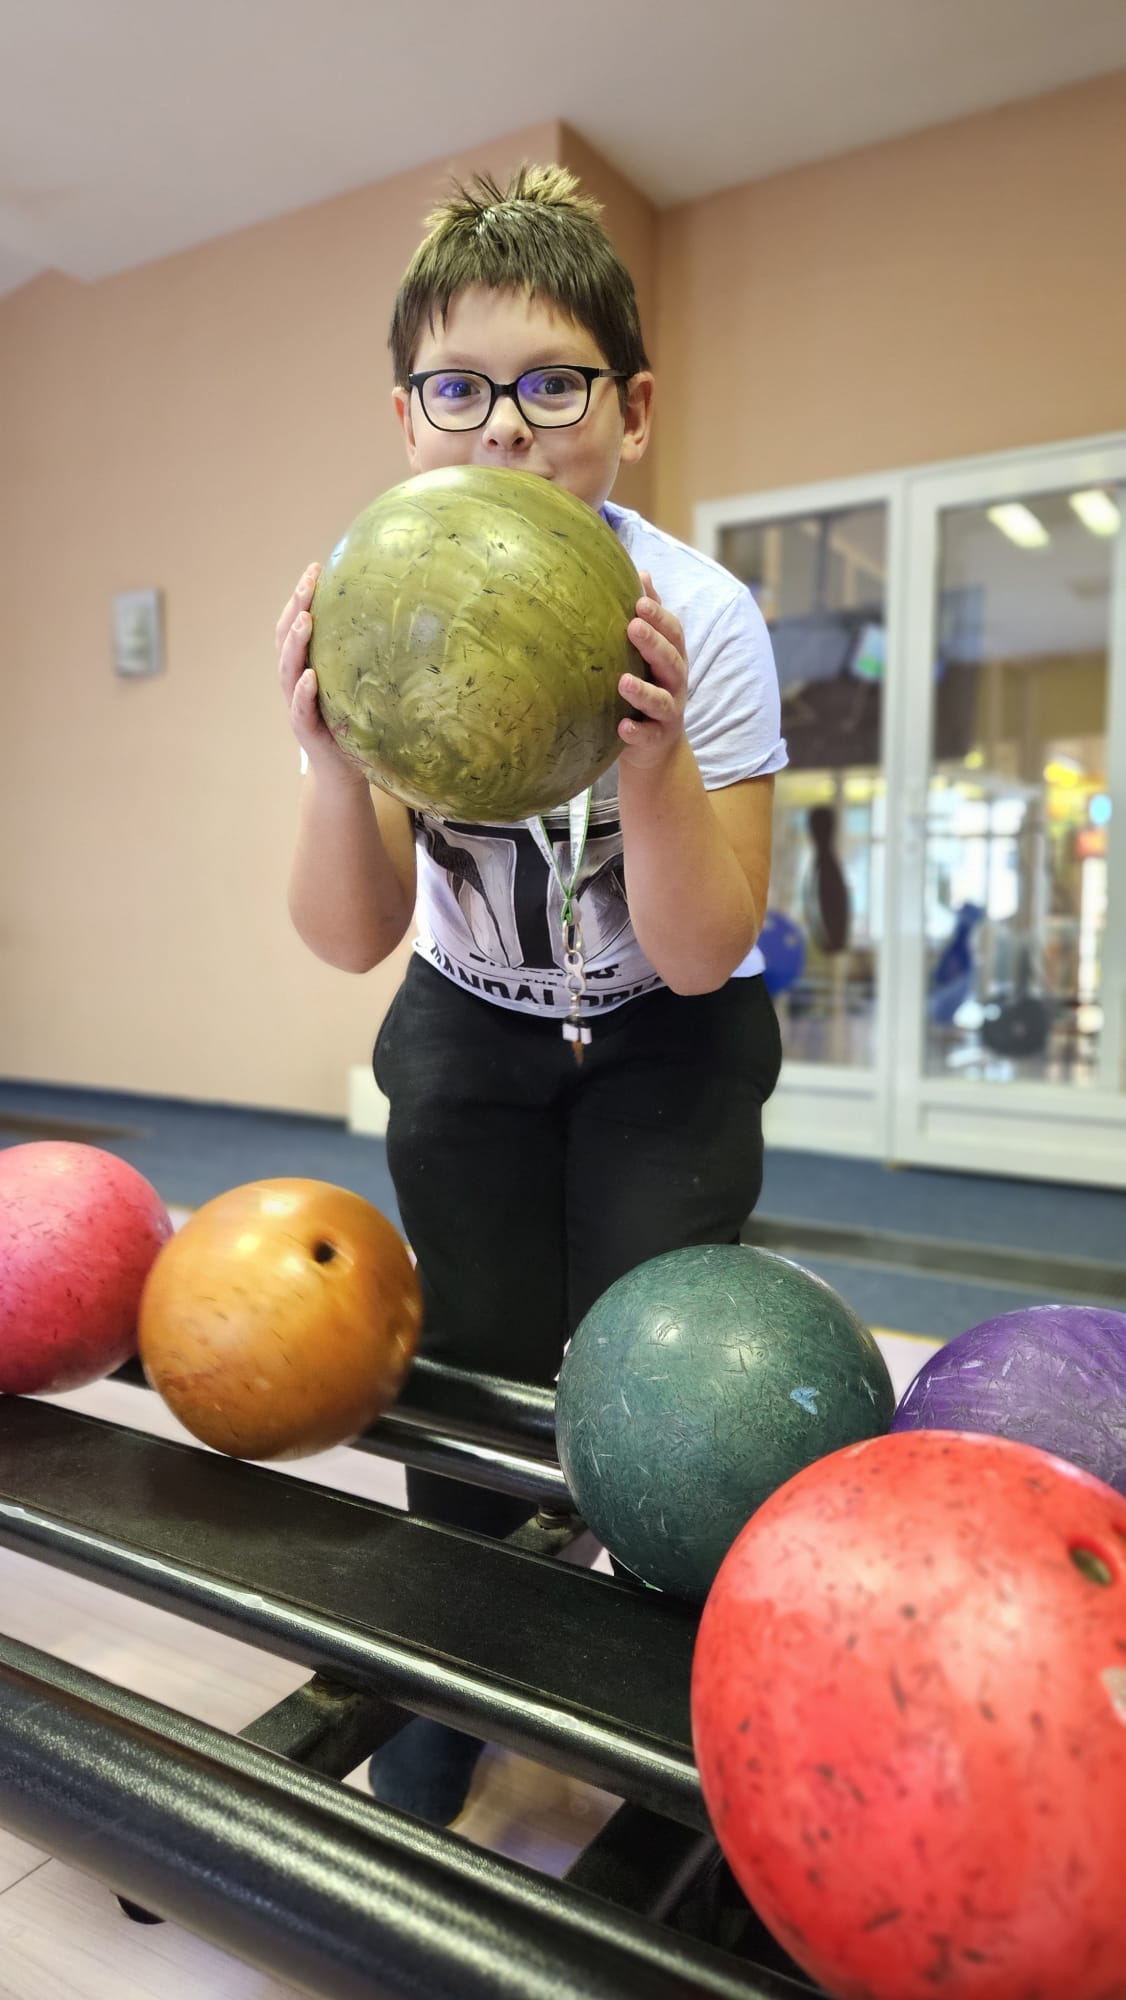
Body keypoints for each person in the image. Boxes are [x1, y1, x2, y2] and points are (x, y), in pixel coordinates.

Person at [276, 164, 787, 1824]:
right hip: (468, 1025)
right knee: (471, 1363)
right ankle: (453, 1674)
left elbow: (703, 949)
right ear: (407, 421)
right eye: (459, 390)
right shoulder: (376, 593)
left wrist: (652, 758)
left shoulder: (701, 616)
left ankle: (654, 1704)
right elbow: (348, 936)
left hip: (671, 1037)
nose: (506, 426)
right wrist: (324, 761)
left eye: (554, 385)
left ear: (630, 408)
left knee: (663, 1384)